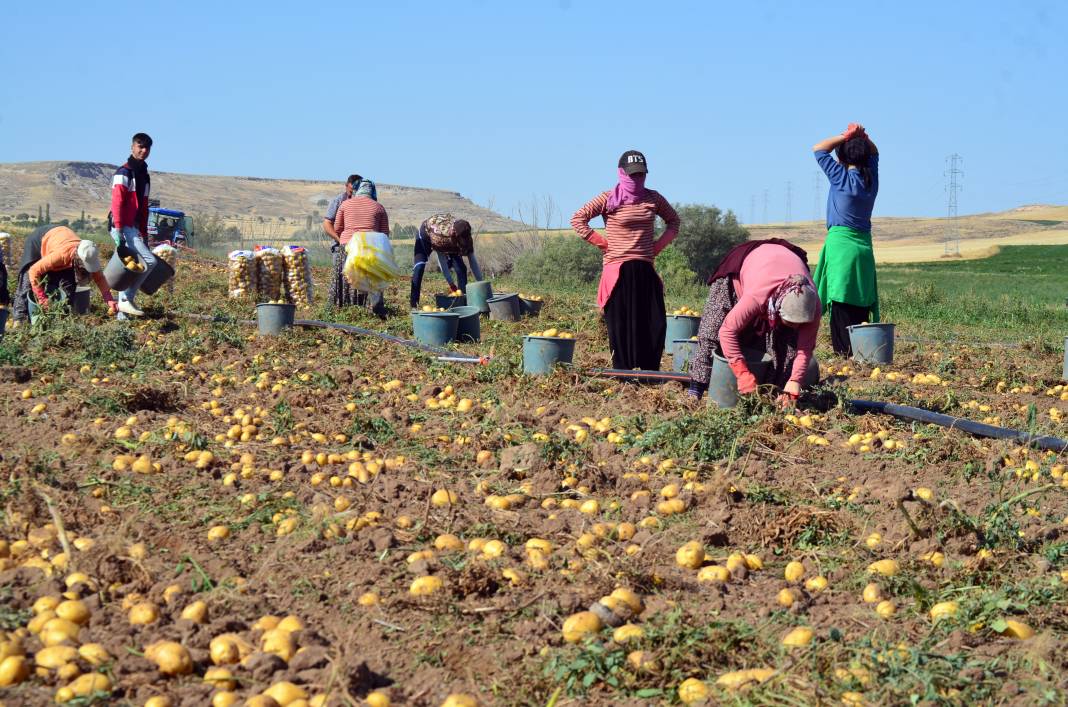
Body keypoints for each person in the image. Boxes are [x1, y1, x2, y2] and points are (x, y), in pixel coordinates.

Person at [571, 150, 680, 370]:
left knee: (654, 323)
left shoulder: (653, 198)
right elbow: (578, 219)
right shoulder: (608, 198)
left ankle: (649, 373)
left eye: (641, 174)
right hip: (618, 269)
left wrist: (655, 248)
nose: (637, 179)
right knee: (621, 325)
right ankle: (623, 373)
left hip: (645, 269)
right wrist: (602, 243)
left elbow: (674, 222)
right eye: (632, 175)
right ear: (621, 173)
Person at [687, 240, 820, 406]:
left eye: (799, 323)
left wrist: (795, 380)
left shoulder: (812, 305)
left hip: (778, 265)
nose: (796, 326)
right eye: (790, 321)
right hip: (746, 268)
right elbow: (727, 331)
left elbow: (804, 349)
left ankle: (777, 395)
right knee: (711, 331)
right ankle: (696, 390)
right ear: (777, 308)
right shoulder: (758, 295)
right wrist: (742, 373)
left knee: (787, 346)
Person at [812, 123, 880, 356]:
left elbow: (819, 149)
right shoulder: (871, 180)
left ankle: (843, 353)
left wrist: (846, 136)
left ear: (842, 155)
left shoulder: (840, 177)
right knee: (859, 297)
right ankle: (862, 349)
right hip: (864, 247)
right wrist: (862, 138)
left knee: (840, 298)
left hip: (841, 247)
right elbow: (875, 153)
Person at [10, 225, 117, 323]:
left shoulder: (90, 255)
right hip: (39, 241)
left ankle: (59, 320)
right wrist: (42, 298)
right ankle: (20, 320)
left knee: (68, 287)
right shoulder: (61, 255)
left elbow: (99, 278)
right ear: (78, 259)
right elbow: (34, 271)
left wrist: (109, 299)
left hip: (61, 243)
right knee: (27, 282)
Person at [109, 132, 158, 318]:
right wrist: (119, 228)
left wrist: (143, 232)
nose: (143, 151)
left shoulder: (144, 175)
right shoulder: (124, 172)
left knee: (131, 266)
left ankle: (122, 315)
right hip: (123, 226)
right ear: (132, 147)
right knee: (149, 261)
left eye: (147, 148)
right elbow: (117, 202)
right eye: (140, 146)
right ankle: (125, 299)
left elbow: (144, 206)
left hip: (134, 227)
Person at [332, 179, 389, 317]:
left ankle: (343, 308)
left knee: (349, 279)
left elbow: (337, 228)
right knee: (371, 280)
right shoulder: (379, 207)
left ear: (357, 190)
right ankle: (372, 310)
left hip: (348, 247)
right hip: (371, 249)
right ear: (373, 191)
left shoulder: (345, 205)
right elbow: (384, 233)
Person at [410, 214, 484, 308]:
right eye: (461, 241)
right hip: (426, 234)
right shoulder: (441, 238)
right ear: (455, 236)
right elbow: (442, 263)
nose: (463, 244)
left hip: (451, 238)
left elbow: (472, 261)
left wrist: (482, 286)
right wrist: (451, 284)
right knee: (419, 267)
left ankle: (462, 301)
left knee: (461, 269)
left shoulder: (466, 237)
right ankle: (413, 304)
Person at [322, 174, 363, 246]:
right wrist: (340, 240)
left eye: (357, 191)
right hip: (340, 246)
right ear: (346, 185)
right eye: (351, 191)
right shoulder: (338, 201)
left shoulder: (366, 203)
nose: (354, 194)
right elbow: (327, 223)